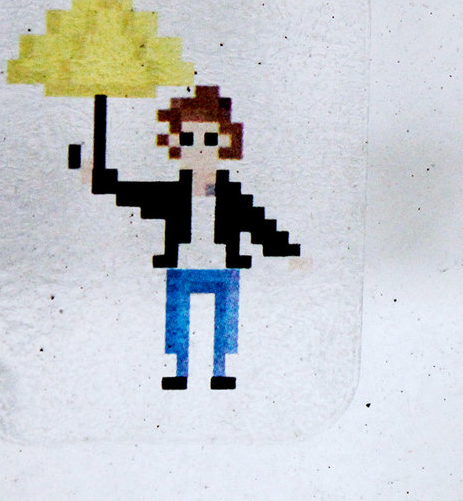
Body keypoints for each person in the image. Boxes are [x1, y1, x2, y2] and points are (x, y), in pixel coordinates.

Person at [74, 86, 300, 389]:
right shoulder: (172, 194)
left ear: (227, 142)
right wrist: (98, 178)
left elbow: (258, 225)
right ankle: (180, 370)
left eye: (210, 139)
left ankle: (220, 370)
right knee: (178, 321)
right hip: (181, 266)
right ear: (175, 144)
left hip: (224, 268)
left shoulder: (231, 196)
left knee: (225, 323)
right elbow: (132, 193)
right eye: (190, 139)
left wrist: (288, 252)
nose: (200, 149)